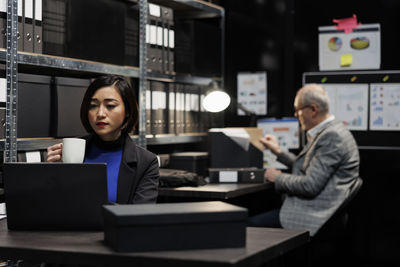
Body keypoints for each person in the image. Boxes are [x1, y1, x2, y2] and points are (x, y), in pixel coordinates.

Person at [248, 83, 359, 236]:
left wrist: (277, 177)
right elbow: (311, 167)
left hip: (312, 216)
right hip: (317, 209)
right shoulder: (331, 131)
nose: (296, 115)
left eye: (297, 110)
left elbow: (310, 185)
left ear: (313, 109)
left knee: (249, 225)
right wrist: (278, 152)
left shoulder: (332, 137)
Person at [47, 75, 159, 204]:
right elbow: (52, 208)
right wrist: (51, 174)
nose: (100, 113)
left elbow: (139, 216)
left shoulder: (146, 162)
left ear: (127, 111)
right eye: (93, 106)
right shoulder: (70, 151)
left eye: (110, 106)